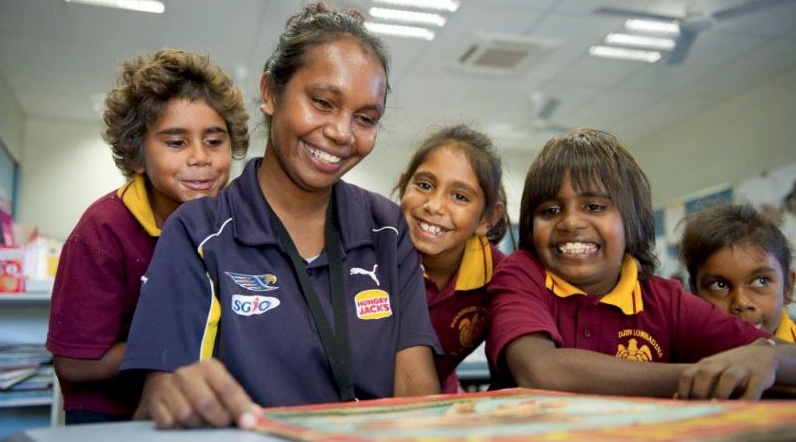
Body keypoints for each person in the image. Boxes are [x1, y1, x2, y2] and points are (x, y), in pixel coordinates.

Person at [120, 2, 441, 430]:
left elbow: (414, 385)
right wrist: (178, 396)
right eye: (323, 102)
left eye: (365, 118)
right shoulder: (199, 232)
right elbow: (163, 394)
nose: (342, 133)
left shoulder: (386, 227)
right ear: (271, 93)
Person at [486, 128, 796, 400]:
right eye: (550, 211)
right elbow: (540, 371)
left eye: (594, 206)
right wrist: (705, 374)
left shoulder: (666, 302)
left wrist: (770, 358)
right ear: (529, 227)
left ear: (632, 222)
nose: (570, 222)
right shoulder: (520, 274)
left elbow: (776, 357)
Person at [46, 48, 250, 424]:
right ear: (136, 154)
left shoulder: (232, 223)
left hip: (200, 408)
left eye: (214, 140)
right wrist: (177, 344)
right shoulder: (102, 230)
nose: (200, 157)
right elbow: (74, 362)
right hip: (110, 415)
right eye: (176, 142)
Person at [396, 124, 508, 393]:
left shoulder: (502, 277)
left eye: (459, 196)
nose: (434, 206)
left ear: (487, 218)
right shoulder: (370, 257)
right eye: (424, 185)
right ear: (403, 188)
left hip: (435, 402)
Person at [679, 203, 795, 342]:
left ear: (787, 288)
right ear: (695, 295)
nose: (741, 303)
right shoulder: (682, 358)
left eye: (761, 281)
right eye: (719, 285)